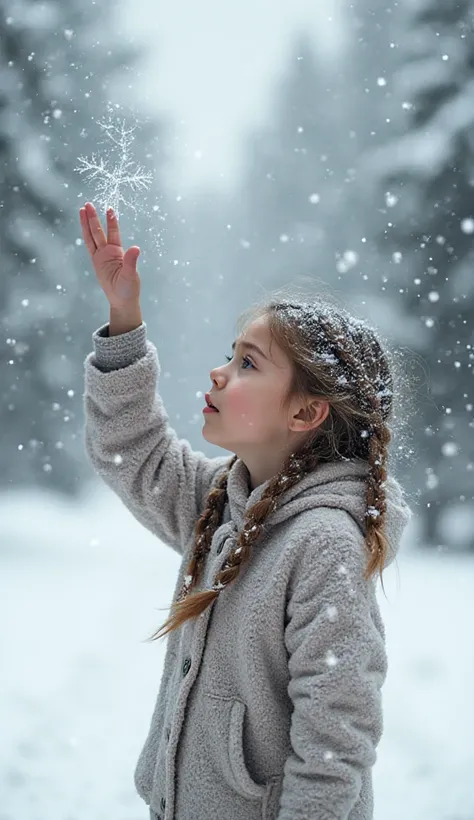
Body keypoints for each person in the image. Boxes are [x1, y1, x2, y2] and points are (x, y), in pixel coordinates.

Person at [80, 201, 412, 820]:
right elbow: (133, 452)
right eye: (231, 354)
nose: (219, 370)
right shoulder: (220, 504)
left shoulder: (323, 543)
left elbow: (335, 742)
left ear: (305, 413)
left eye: (247, 363)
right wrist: (124, 319)